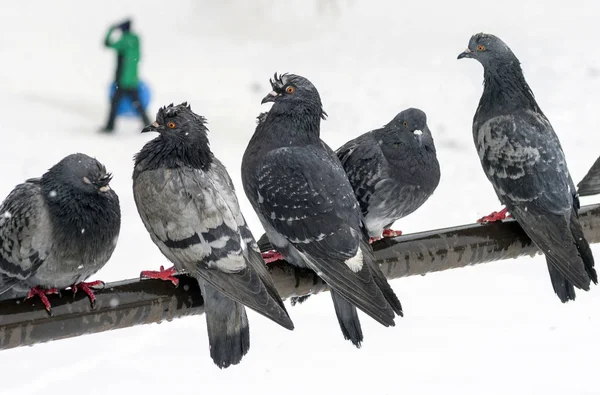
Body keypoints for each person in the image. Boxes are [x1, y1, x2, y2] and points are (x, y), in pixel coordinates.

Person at [102, 19, 150, 132]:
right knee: (138, 104)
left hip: (122, 79)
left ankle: (110, 127)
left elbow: (107, 43)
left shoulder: (123, 41)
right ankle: (147, 123)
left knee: (114, 103)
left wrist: (111, 29)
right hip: (133, 78)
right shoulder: (136, 39)